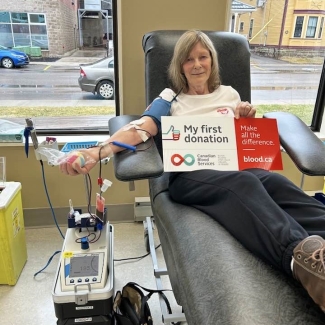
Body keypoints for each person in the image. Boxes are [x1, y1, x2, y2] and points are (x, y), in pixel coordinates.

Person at [60, 30, 325, 312]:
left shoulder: (230, 94)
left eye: (203, 57)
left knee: (274, 183)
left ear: (212, 60)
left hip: (235, 167)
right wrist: (95, 152)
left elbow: (243, 141)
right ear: (180, 66)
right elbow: (140, 128)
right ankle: (304, 262)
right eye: (189, 59)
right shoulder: (170, 98)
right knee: (244, 184)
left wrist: (246, 121)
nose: (197, 64)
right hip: (191, 177)